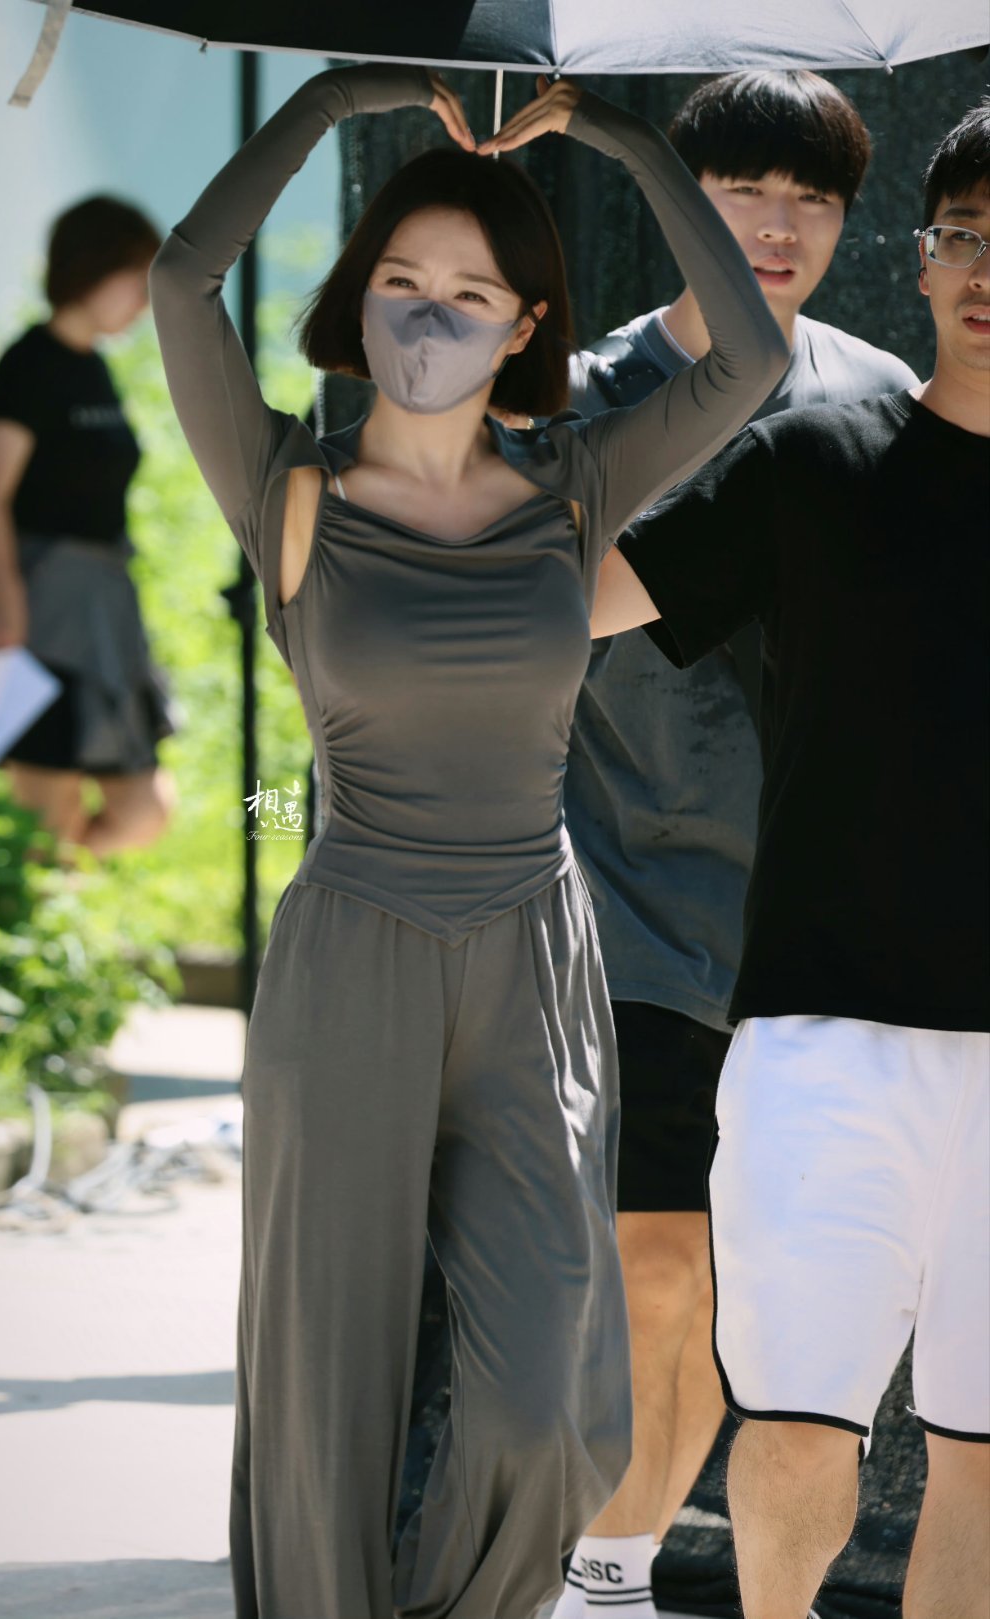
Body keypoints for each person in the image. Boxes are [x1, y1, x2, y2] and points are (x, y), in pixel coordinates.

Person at [148, 62, 787, 1619]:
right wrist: (330, 101)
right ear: (358, 295)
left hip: (530, 949)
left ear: (524, 325)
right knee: (328, 1379)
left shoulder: (574, 483)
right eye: (401, 280)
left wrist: (618, 132)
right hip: (351, 946)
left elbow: (752, 355)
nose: (429, 312)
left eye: (472, 292)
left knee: (543, 1394)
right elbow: (181, 281)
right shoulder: (289, 484)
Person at [584, 102, 989, 1619]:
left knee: (981, 1455)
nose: (987, 273)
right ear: (924, 256)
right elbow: (561, 602)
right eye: (966, 236)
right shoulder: (817, 454)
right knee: (798, 1414)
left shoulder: (846, 404)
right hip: (811, 1022)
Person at [0, 195, 177, 858]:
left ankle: (51, 888)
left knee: (142, 807)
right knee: (41, 818)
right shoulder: (30, 363)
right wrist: (8, 604)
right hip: (41, 602)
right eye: (137, 280)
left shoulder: (95, 367)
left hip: (103, 605)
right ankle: (31, 901)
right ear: (92, 268)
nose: (143, 302)